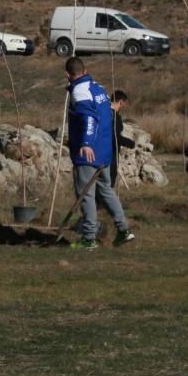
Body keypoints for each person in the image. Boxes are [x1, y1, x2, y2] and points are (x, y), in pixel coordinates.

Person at [64, 57, 135, 248]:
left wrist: (86, 143)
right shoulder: (99, 89)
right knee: (106, 190)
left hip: (88, 153)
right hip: (105, 151)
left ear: (67, 75)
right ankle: (124, 229)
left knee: (86, 194)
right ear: (85, 71)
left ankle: (89, 238)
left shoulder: (80, 92)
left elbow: (89, 119)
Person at [108, 89, 136, 187]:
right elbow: (114, 136)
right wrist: (130, 143)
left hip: (103, 152)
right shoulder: (113, 116)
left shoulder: (104, 112)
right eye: (124, 103)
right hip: (110, 153)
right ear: (121, 102)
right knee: (108, 184)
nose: (124, 106)